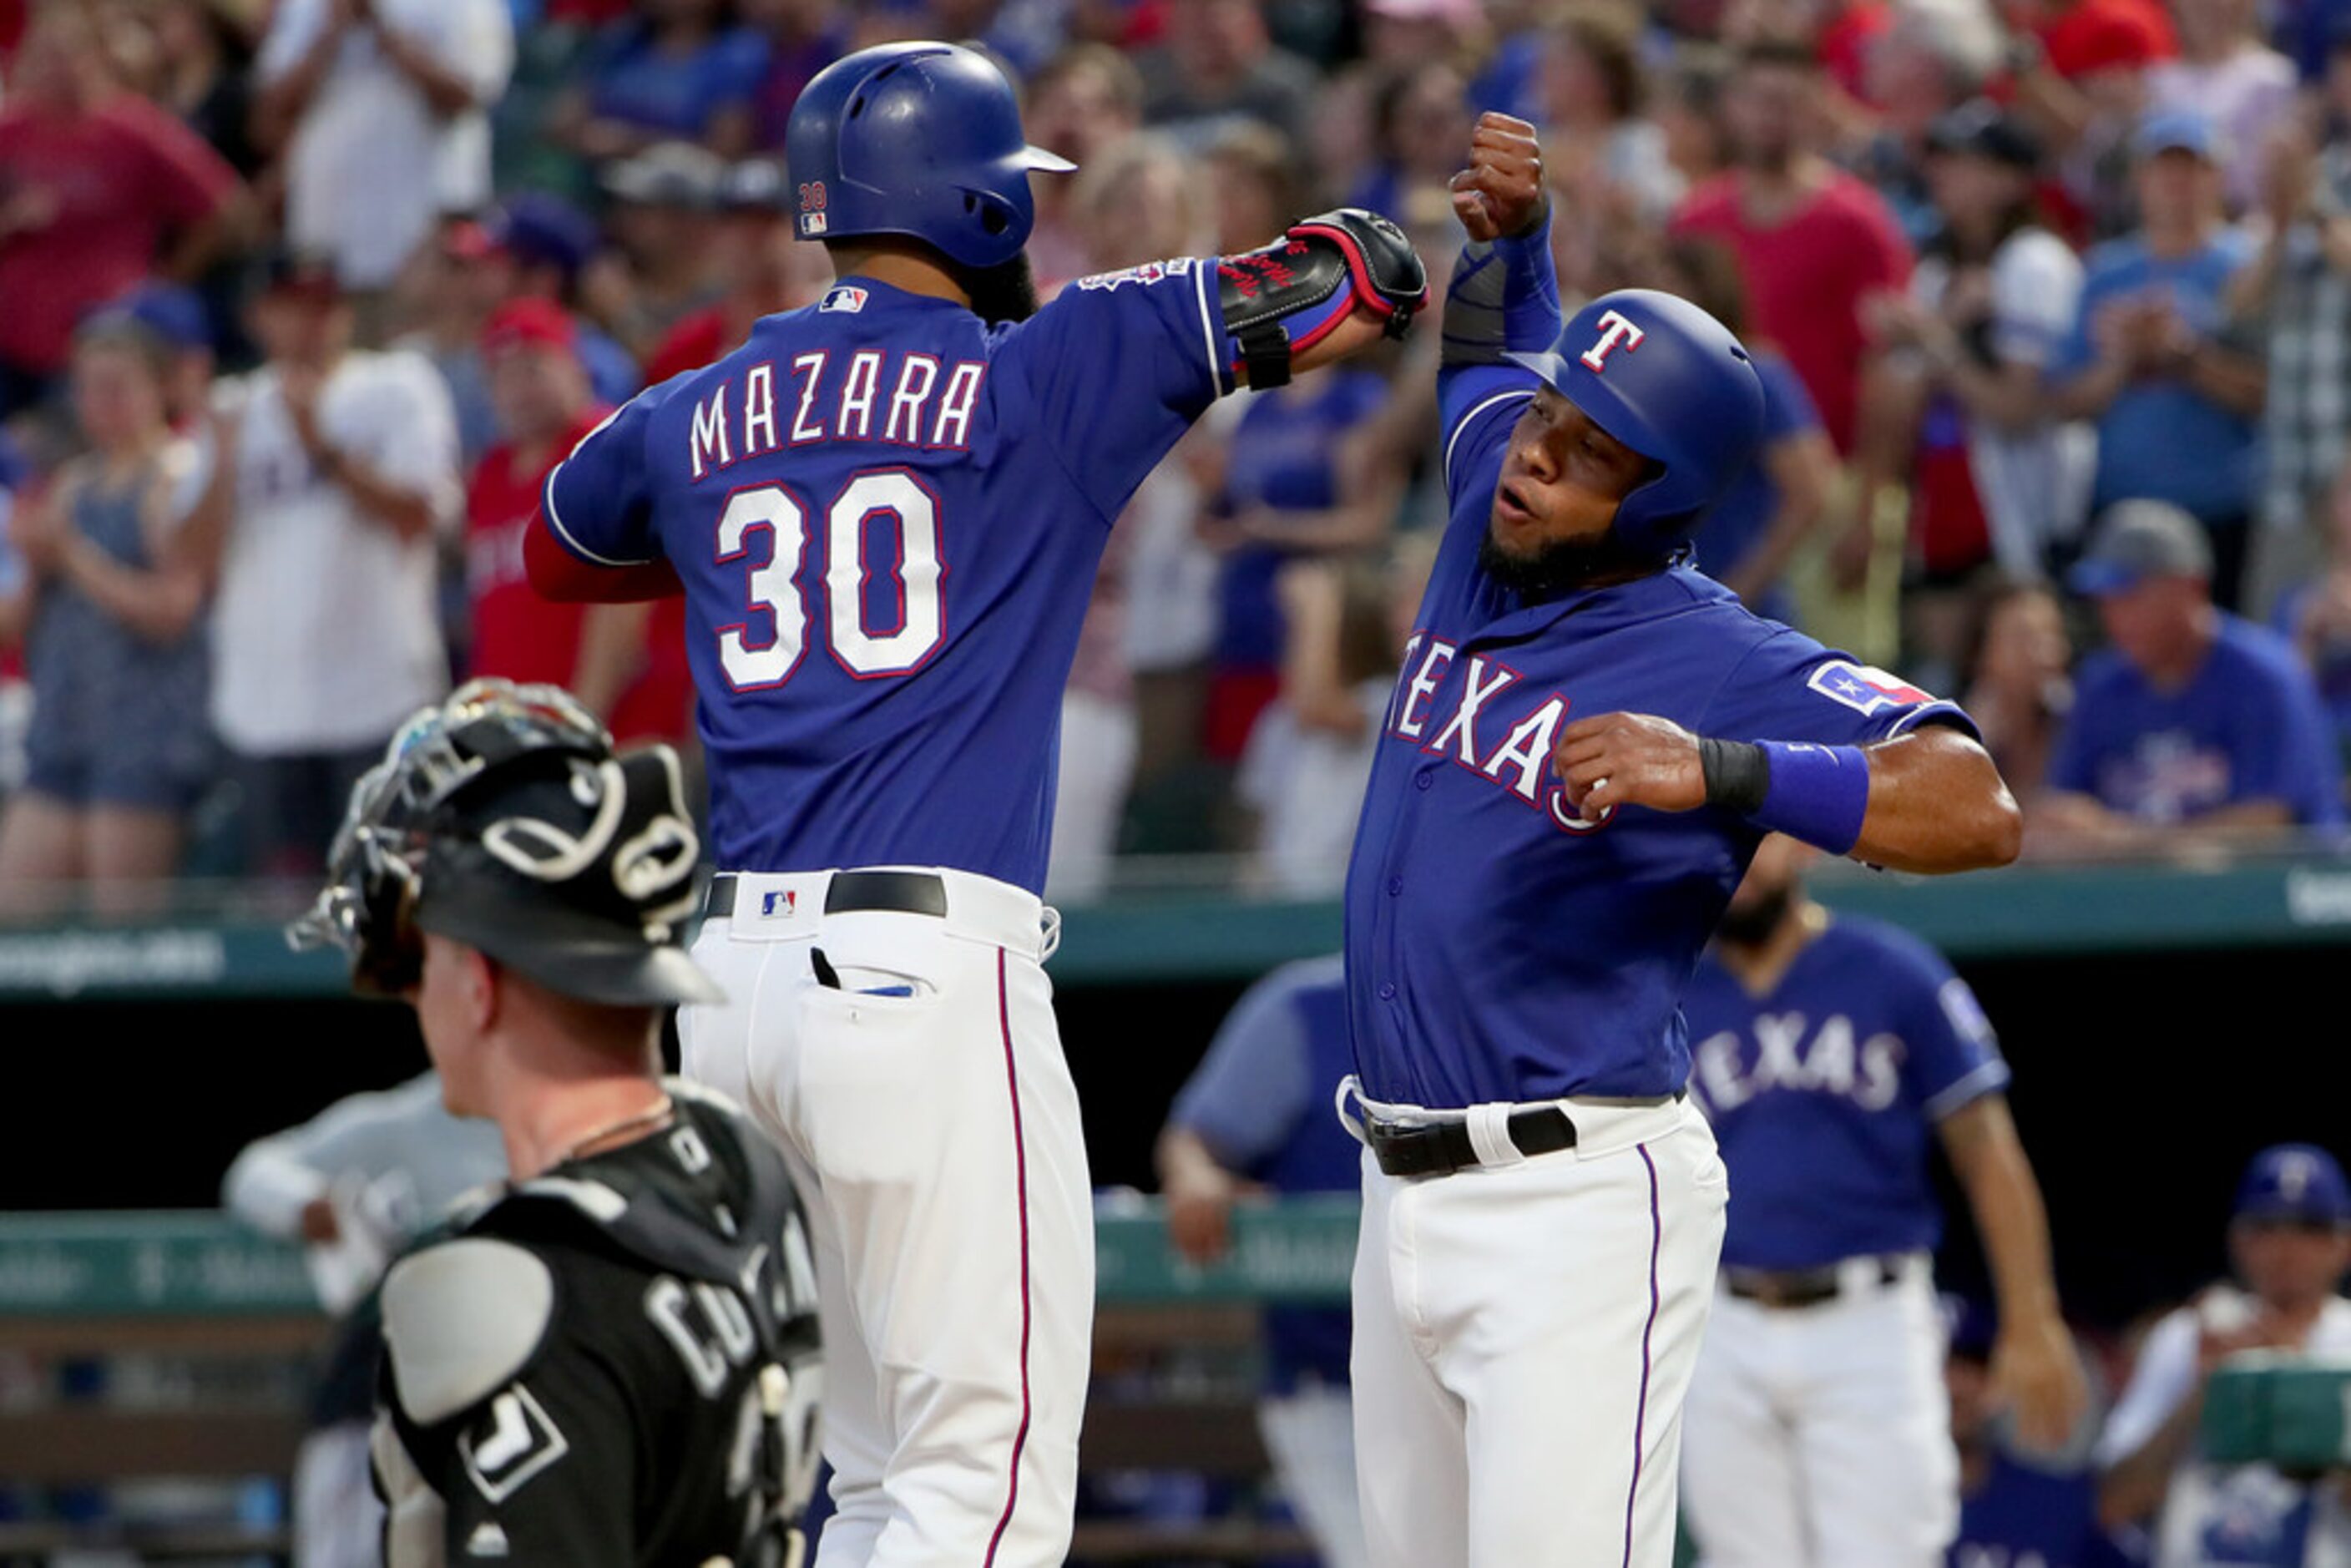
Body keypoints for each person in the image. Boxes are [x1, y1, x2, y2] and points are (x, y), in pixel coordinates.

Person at [524, 40, 1427, 1566]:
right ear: (983, 204)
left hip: (726, 991)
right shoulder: (1059, 360)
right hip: (919, 977)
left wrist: (766, 485)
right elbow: (1364, 278)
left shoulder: (697, 403)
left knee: (850, 1482)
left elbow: (560, 544)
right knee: (973, 1480)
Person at [1341, 111, 2020, 1568]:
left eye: (1590, 454)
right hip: (1390, 1180)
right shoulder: (1484, 509)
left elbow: (1976, 804)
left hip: (1574, 1193)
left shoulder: (1708, 649)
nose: (1536, 460)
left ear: (1660, 500)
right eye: (1547, 422)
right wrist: (1518, 243)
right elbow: (1489, 353)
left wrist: (1723, 770)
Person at [287, 678, 824, 1566]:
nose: (415, 990)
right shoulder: (740, 1166)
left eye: (423, 958)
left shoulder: (519, 1281)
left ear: (481, 979)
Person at [1676, 832, 2086, 1567]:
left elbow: (1987, 1151)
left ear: (1800, 846)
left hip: (1870, 1321)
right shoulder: (1670, 992)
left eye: (1753, 841)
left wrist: (2032, 1316)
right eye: (1717, 844)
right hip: (1721, 1320)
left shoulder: (1892, 971)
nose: (1735, 865)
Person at [190, 251, 463, 880]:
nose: (312, 322)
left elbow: (422, 518)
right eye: (292, 306)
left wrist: (322, 446)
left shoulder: (396, 386)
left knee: (391, 898)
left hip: (380, 693)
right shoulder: (232, 406)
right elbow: (191, 559)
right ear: (260, 316)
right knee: (283, 918)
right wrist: (225, 464)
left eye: (325, 304)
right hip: (263, 706)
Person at [222, 1072, 508, 1568]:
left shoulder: (583, 1118)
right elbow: (253, 1174)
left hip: (518, 1399)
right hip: (382, 1400)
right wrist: (318, 1206)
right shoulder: (414, 1121)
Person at [1157, 953, 1370, 1568]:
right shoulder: (1308, 1006)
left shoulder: (1504, 994)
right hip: (1332, 1381)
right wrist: (1198, 1177)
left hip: (1475, 1363)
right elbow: (1192, 1142)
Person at [0, 316, 211, 918]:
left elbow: (175, 609)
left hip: (143, 736)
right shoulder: (71, 484)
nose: (101, 404)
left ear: (157, 389)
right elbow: (21, 620)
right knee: (15, 922)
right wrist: (35, 564)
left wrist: (72, 556)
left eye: (118, 386)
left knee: (125, 934)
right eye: (89, 388)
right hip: (64, 727)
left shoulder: (174, 473)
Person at [2048, 109, 2265, 610]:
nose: (2175, 183)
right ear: (2138, 179)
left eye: (2191, 168)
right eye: (2163, 168)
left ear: (2218, 178)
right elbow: (2065, 402)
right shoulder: (2105, 273)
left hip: (2221, 505)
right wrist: (2123, 359)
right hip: (2122, 499)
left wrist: (2182, 357)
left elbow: (2268, 394)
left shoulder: (2245, 267)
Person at [2036, 499, 2344, 851]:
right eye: (2107, 600)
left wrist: (2122, 839)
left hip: (2272, 896)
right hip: (2140, 897)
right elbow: (2061, 812)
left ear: (2191, 588)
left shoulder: (2264, 677)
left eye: (2131, 594)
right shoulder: (2101, 686)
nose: (2116, 616)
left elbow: (2268, 824)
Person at [2096, 1144, 2351, 1566]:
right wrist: (2203, 1393)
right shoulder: (2187, 1337)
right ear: (2237, 1238)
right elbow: (2115, 1504)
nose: (2287, 1246)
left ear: (2344, 1244)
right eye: (2267, 1226)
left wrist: (2298, 1390)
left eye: (2311, 1227)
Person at [1671, 39, 1915, 456]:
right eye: (1758, 100)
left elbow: (1886, 364)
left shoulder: (1858, 222)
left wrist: (1870, 493)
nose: (1771, 117)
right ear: (1732, 105)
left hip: (1828, 463)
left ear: (1813, 109)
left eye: (1787, 101)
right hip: (1716, 462)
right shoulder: (1696, 219)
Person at [0, 1, 241, 421]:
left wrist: (169, 276)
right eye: (45, 55)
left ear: (94, 58)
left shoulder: (133, 129)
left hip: (101, 339)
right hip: (12, 338)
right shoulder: (9, 132)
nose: (57, 69)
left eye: (69, 54)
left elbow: (225, 208)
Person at [250, 0, 513, 306]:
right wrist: (331, 34)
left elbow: (469, 95)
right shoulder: (308, 6)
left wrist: (381, 27)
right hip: (327, 234)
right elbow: (267, 116)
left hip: (422, 239)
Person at [1944, 1298, 2140, 1568]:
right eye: (1938, 1363)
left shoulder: (2055, 1505)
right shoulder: (1872, 1496)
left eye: (1975, 1363)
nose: (1954, 1383)